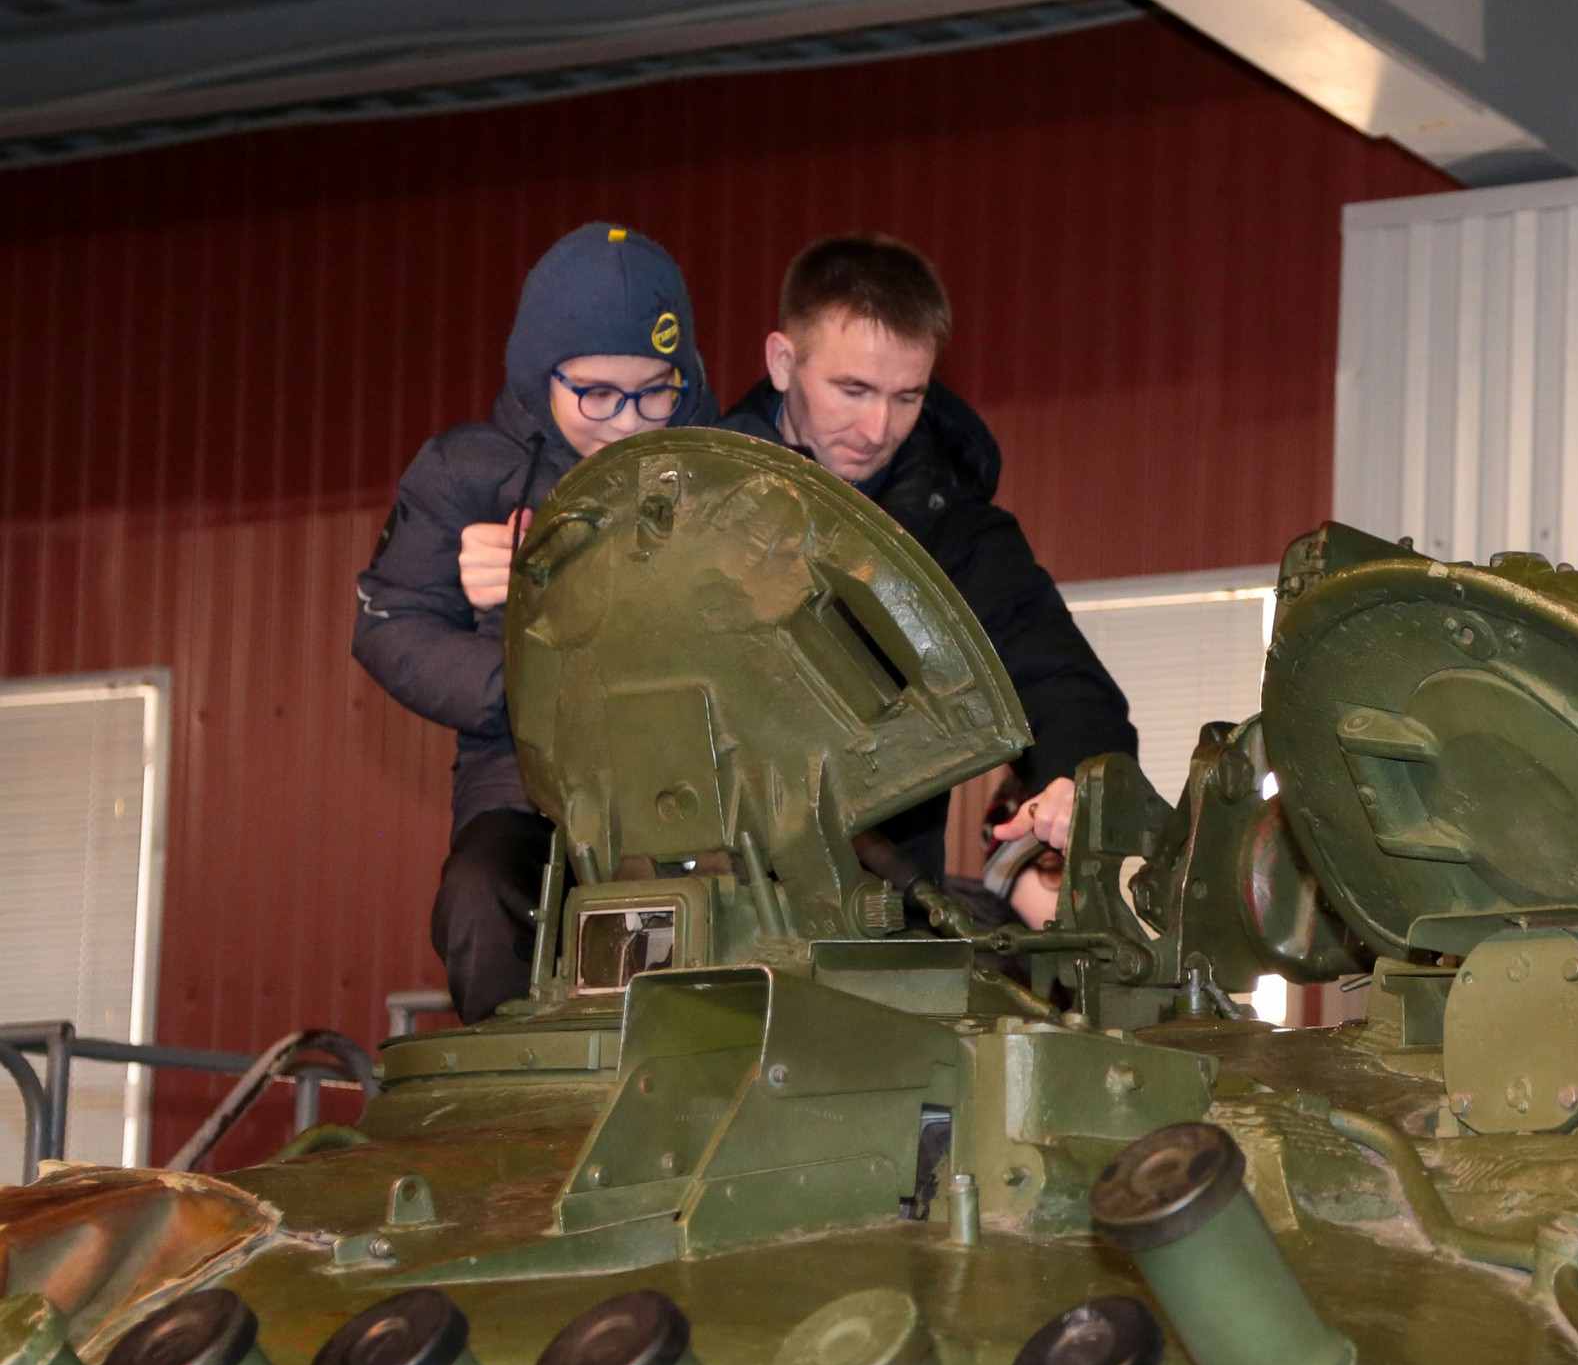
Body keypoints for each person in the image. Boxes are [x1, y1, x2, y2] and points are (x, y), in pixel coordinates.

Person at [354, 222, 718, 1022]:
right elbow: (391, 622)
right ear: (536, 376)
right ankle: (516, 1090)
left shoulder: (727, 471)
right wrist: (527, 692)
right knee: (481, 901)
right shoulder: (466, 475)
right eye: (596, 393)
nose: (626, 421)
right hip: (528, 782)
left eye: (655, 391)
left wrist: (567, 574)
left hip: (709, 786)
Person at [720, 234, 1136, 926]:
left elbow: (1066, 686)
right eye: (852, 390)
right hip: (689, 905)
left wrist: (1075, 777)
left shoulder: (958, 538)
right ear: (783, 362)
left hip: (884, 922)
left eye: (907, 396)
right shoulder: (690, 505)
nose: (877, 427)